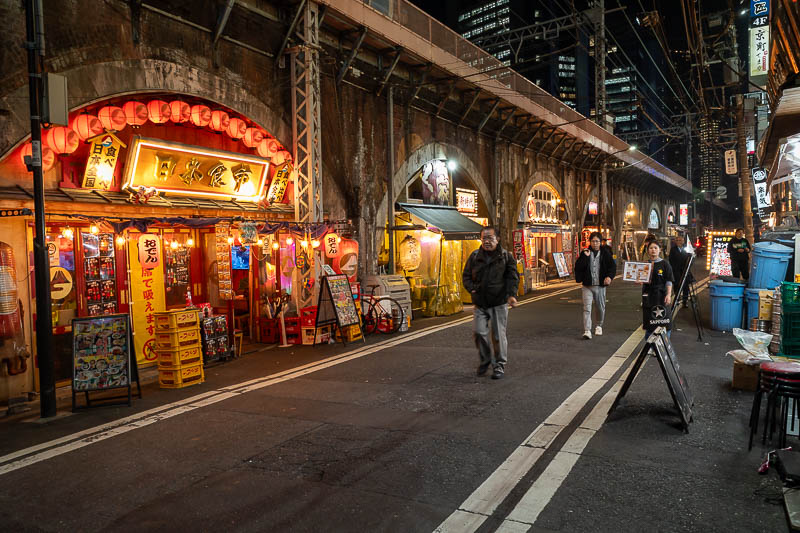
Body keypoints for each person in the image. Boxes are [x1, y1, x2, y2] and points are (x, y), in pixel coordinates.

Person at [462, 226, 519, 380]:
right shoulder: (475, 256)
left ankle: (499, 365)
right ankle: (486, 360)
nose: (487, 241)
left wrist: (511, 295)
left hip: (499, 302)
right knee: (479, 332)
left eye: (490, 238)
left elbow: (512, 277)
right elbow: (466, 276)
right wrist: (472, 289)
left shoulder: (506, 256)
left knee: (498, 336)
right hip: (480, 303)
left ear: (497, 239)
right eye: (484, 238)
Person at [574, 231, 616, 339]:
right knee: (586, 308)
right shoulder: (585, 252)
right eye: (593, 241)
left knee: (600, 307)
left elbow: (612, 267)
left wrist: (609, 277)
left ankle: (599, 325)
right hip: (587, 285)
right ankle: (587, 330)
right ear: (590, 242)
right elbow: (578, 267)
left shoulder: (605, 253)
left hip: (600, 286)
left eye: (597, 241)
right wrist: (585, 258)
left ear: (601, 242)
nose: (595, 243)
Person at [641, 240, 674, 335]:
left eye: (655, 248)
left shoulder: (665, 264)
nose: (653, 250)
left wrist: (668, 295)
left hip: (662, 295)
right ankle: (650, 346)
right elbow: (642, 278)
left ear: (660, 250)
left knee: (664, 320)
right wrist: (639, 280)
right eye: (651, 248)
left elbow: (669, 281)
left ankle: (664, 343)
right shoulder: (645, 264)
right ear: (648, 250)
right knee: (649, 321)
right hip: (648, 295)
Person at [668, 235, 693, 306]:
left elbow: (691, 259)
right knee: (676, 286)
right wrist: (674, 268)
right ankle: (677, 299)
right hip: (676, 271)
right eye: (677, 240)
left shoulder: (687, 248)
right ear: (675, 242)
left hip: (685, 270)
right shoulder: (673, 249)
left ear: (683, 241)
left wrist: (687, 267)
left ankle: (685, 301)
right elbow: (671, 260)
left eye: (680, 240)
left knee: (686, 287)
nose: (679, 242)